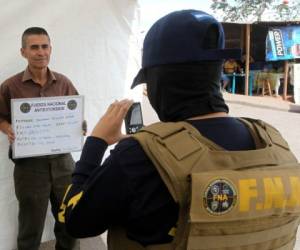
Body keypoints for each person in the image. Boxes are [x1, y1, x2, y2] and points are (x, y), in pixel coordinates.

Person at [59, 10, 300, 250]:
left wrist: (96, 142)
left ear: (159, 81)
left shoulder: (138, 156)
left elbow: (75, 222)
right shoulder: (275, 144)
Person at [0, 27, 80, 250]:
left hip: (64, 163)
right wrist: (8, 128)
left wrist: (79, 127)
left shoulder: (63, 83)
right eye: (34, 47)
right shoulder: (10, 86)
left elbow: (76, 115)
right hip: (29, 166)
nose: (40, 52)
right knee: (30, 227)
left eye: (44, 46)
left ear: (50, 49)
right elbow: (0, 116)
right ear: (23, 52)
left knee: (69, 221)